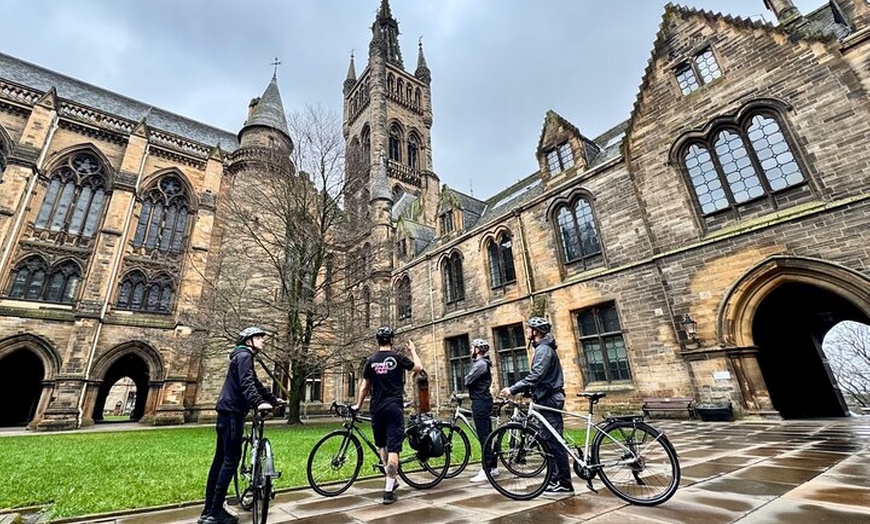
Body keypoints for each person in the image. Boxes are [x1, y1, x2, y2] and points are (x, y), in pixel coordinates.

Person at [200, 327, 286, 524]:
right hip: (232, 413)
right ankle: (214, 513)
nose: (263, 341)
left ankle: (208, 509)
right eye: (259, 338)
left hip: (227, 412)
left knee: (219, 460)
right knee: (230, 460)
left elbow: (255, 382)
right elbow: (247, 383)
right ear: (248, 341)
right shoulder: (244, 356)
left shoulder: (241, 356)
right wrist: (258, 402)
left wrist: (273, 399)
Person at [499, 317, 573, 495]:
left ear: (536, 332)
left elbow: (536, 375)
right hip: (545, 397)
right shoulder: (542, 349)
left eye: (528, 329)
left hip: (549, 400)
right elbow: (541, 378)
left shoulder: (544, 350)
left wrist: (513, 388)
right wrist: (528, 392)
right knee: (548, 441)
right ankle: (555, 479)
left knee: (554, 442)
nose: (526, 332)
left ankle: (564, 483)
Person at [353, 326, 423, 505]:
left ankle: (390, 480)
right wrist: (413, 351)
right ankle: (388, 490)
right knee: (394, 449)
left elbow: (364, 386)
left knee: (382, 446)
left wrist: (358, 405)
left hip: (376, 408)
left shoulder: (371, 360)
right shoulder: (397, 358)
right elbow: (418, 368)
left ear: (377, 341)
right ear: (391, 340)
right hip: (394, 408)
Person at [465, 338, 499, 483]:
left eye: (472, 347)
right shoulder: (482, 364)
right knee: (488, 435)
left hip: (480, 402)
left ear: (478, 350)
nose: (470, 350)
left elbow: (467, 380)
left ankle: (486, 469)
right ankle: (493, 467)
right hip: (483, 401)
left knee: (484, 436)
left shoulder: (480, 364)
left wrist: (467, 378)